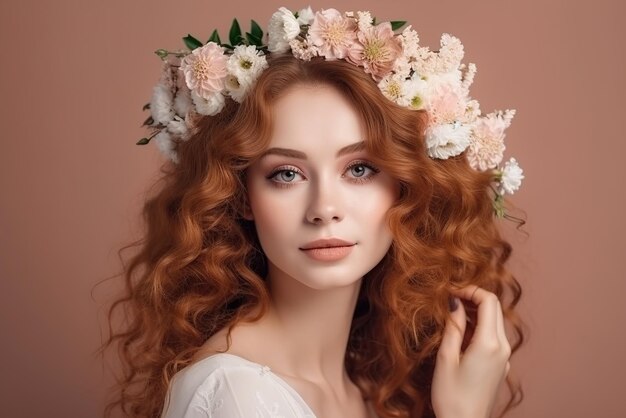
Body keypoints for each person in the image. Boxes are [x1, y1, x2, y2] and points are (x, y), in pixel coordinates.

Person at [101, 6, 526, 418]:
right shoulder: (236, 395)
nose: (324, 209)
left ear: (406, 188)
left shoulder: (364, 389)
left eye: (359, 169)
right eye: (286, 174)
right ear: (242, 196)